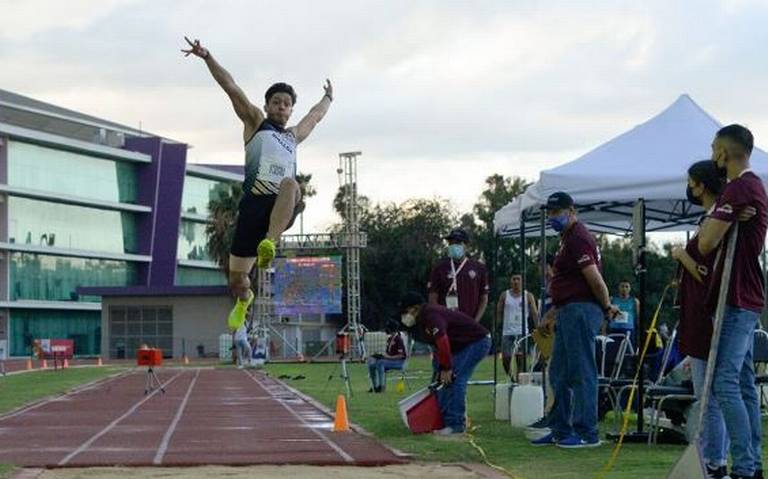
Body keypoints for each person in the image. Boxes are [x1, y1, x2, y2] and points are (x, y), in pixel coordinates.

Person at [181, 37, 334, 333]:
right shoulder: (255, 123)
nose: (281, 106)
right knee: (237, 280)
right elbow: (232, 88)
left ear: (291, 110)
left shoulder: (292, 137)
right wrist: (207, 56)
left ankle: (270, 244)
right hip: (253, 208)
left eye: (286, 104)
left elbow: (314, 117)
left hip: (281, 207)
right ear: (266, 105)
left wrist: (329, 97)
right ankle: (245, 299)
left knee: (291, 184)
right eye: (276, 102)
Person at [697, 125, 767, 479]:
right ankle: (751, 464)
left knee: (724, 382)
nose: (712, 155)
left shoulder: (740, 187)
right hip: (745, 296)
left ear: (724, 152)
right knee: (741, 384)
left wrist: (720, 216)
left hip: (738, 297)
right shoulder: (745, 188)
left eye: (714, 149)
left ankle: (744, 466)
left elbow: (706, 243)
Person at [531, 192, 619, 449]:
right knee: (559, 372)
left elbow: (594, 279)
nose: (552, 217)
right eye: (549, 213)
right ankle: (560, 428)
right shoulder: (567, 239)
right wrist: (553, 312)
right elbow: (571, 284)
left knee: (582, 371)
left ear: (571, 210)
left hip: (581, 311)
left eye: (556, 212)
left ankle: (586, 432)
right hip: (569, 310)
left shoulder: (579, 238)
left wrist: (606, 305)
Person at [400, 292, 491, 436]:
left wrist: (447, 368)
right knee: (440, 382)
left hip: (476, 342)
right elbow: (438, 347)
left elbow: (442, 340)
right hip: (461, 346)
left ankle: (456, 425)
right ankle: (442, 419)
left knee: (455, 380)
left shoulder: (430, 315)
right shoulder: (423, 319)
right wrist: (440, 368)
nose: (405, 316)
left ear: (414, 308)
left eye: (406, 312)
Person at [428, 228, 489, 322]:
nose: (453, 246)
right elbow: (433, 297)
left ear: (467, 246)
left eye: (458, 243)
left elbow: (484, 298)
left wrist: (475, 322)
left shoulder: (479, 268)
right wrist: (439, 320)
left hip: (469, 322)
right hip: (446, 323)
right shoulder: (439, 268)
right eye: (451, 243)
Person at [496, 274, 539, 377]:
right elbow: (499, 311)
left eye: (518, 279)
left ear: (522, 281)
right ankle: (511, 378)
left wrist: (538, 328)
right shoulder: (504, 295)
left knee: (520, 359)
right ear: (510, 281)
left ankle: (519, 381)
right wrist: (497, 326)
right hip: (507, 332)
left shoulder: (528, 296)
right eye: (514, 279)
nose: (516, 281)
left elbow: (534, 313)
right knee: (506, 358)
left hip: (522, 332)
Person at [367, 323, 407, 393]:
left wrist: (389, 357)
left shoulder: (398, 339)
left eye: (387, 328)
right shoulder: (389, 339)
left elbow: (401, 355)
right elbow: (387, 353)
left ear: (391, 329)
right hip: (389, 361)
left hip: (399, 362)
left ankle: (381, 387)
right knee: (371, 365)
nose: (386, 330)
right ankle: (374, 387)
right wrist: (379, 355)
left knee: (380, 363)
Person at [605, 280, 639, 346]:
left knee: (628, 352)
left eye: (627, 287)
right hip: (614, 329)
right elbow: (606, 316)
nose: (624, 289)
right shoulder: (612, 299)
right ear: (619, 287)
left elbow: (637, 318)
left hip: (628, 330)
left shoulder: (635, 301)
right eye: (622, 286)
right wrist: (604, 330)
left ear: (630, 288)